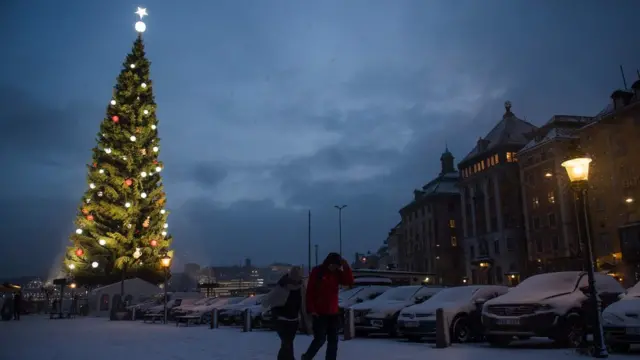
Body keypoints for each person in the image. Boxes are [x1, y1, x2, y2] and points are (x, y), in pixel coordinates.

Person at [302, 252, 354, 360]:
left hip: (333, 312)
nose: (334, 267)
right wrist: (311, 309)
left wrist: (345, 266)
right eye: (333, 265)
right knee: (320, 339)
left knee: (333, 340)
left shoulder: (337, 273)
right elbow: (310, 292)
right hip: (319, 312)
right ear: (329, 263)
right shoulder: (318, 272)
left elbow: (349, 281)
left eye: (336, 266)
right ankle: (307, 357)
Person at [262, 266, 311, 360]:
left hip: (294, 320)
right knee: (286, 343)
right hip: (281, 320)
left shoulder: (301, 287)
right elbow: (270, 298)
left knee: (288, 343)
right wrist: (266, 306)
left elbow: (304, 303)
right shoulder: (282, 285)